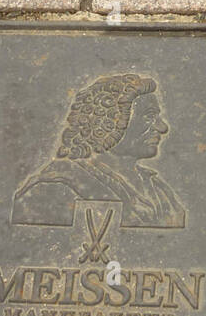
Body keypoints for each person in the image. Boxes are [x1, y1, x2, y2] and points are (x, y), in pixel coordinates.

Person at [12, 73, 186, 229]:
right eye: (149, 116)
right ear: (108, 122)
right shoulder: (56, 188)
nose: (162, 127)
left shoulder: (160, 192)